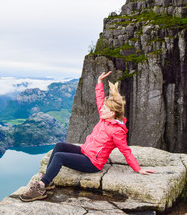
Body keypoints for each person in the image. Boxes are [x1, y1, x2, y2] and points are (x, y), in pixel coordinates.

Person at [19, 71, 156, 202]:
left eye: (105, 109)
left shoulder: (117, 131)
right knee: (59, 146)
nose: (101, 109)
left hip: (92, 163)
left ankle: (41, 187)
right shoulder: (104, 119)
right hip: (85, 151)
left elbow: (125, 150)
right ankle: (48, 180)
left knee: (59, 156)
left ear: (113, 113)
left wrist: (138, 169)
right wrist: (99, 83)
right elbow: (99, 100)